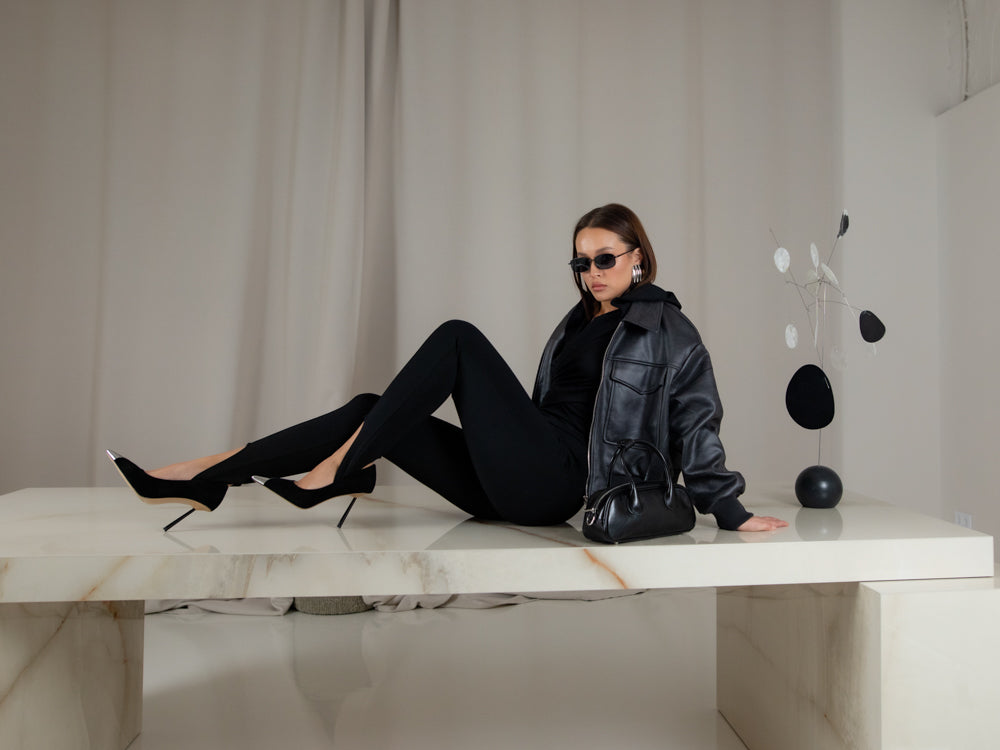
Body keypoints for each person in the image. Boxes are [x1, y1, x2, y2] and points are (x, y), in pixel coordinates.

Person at [109, 203, 786, 534]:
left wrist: (728, 509)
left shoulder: (666, 328)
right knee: (374, 408)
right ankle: (208, 475)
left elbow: (697, 419)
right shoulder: (578, 322)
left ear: (638, 258)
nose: (592, 272)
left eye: (605, 259)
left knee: (458, 339)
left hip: (560, 484)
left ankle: (338, 470)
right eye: (581, 262)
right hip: (509, 483)